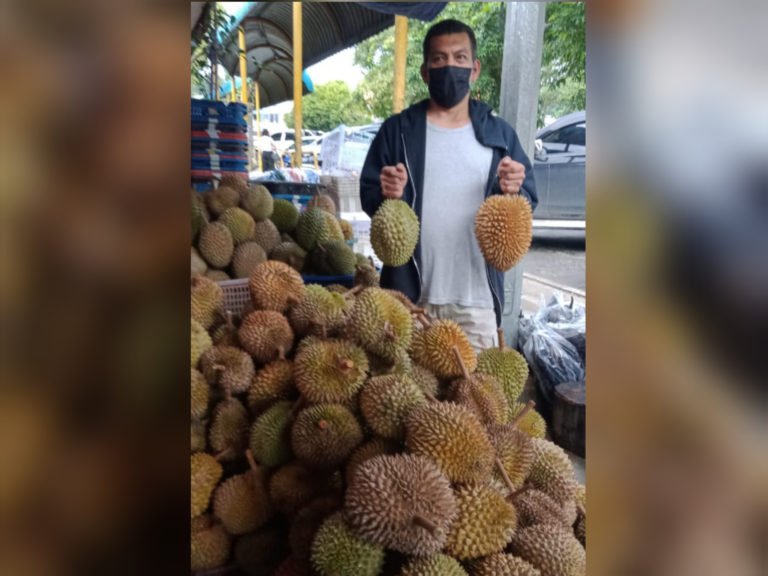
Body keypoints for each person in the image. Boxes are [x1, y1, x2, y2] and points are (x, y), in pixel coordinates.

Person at [360, 19, 538, 352]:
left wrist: (516, 187)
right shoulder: (397, 131)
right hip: (407, 297)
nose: (450, 66)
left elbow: (527, 200)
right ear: (425, 71)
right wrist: (387, 194)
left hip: (477, 301)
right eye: (439, 59)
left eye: (459, 57)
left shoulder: (501, 136)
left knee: (474, 400)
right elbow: (370, 195)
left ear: (474, 68)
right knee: (406, 400)